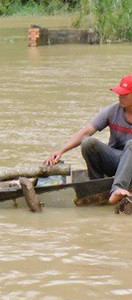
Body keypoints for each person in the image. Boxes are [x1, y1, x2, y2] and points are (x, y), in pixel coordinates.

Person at [45, 74, 132, 204]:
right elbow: (86, 131)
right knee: (88, 143)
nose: (120, 96)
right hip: (115, 161)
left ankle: (117, 189)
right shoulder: (112, 111)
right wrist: (61, 151)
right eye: (119, 93)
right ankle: (97, 186)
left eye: (124, 94)